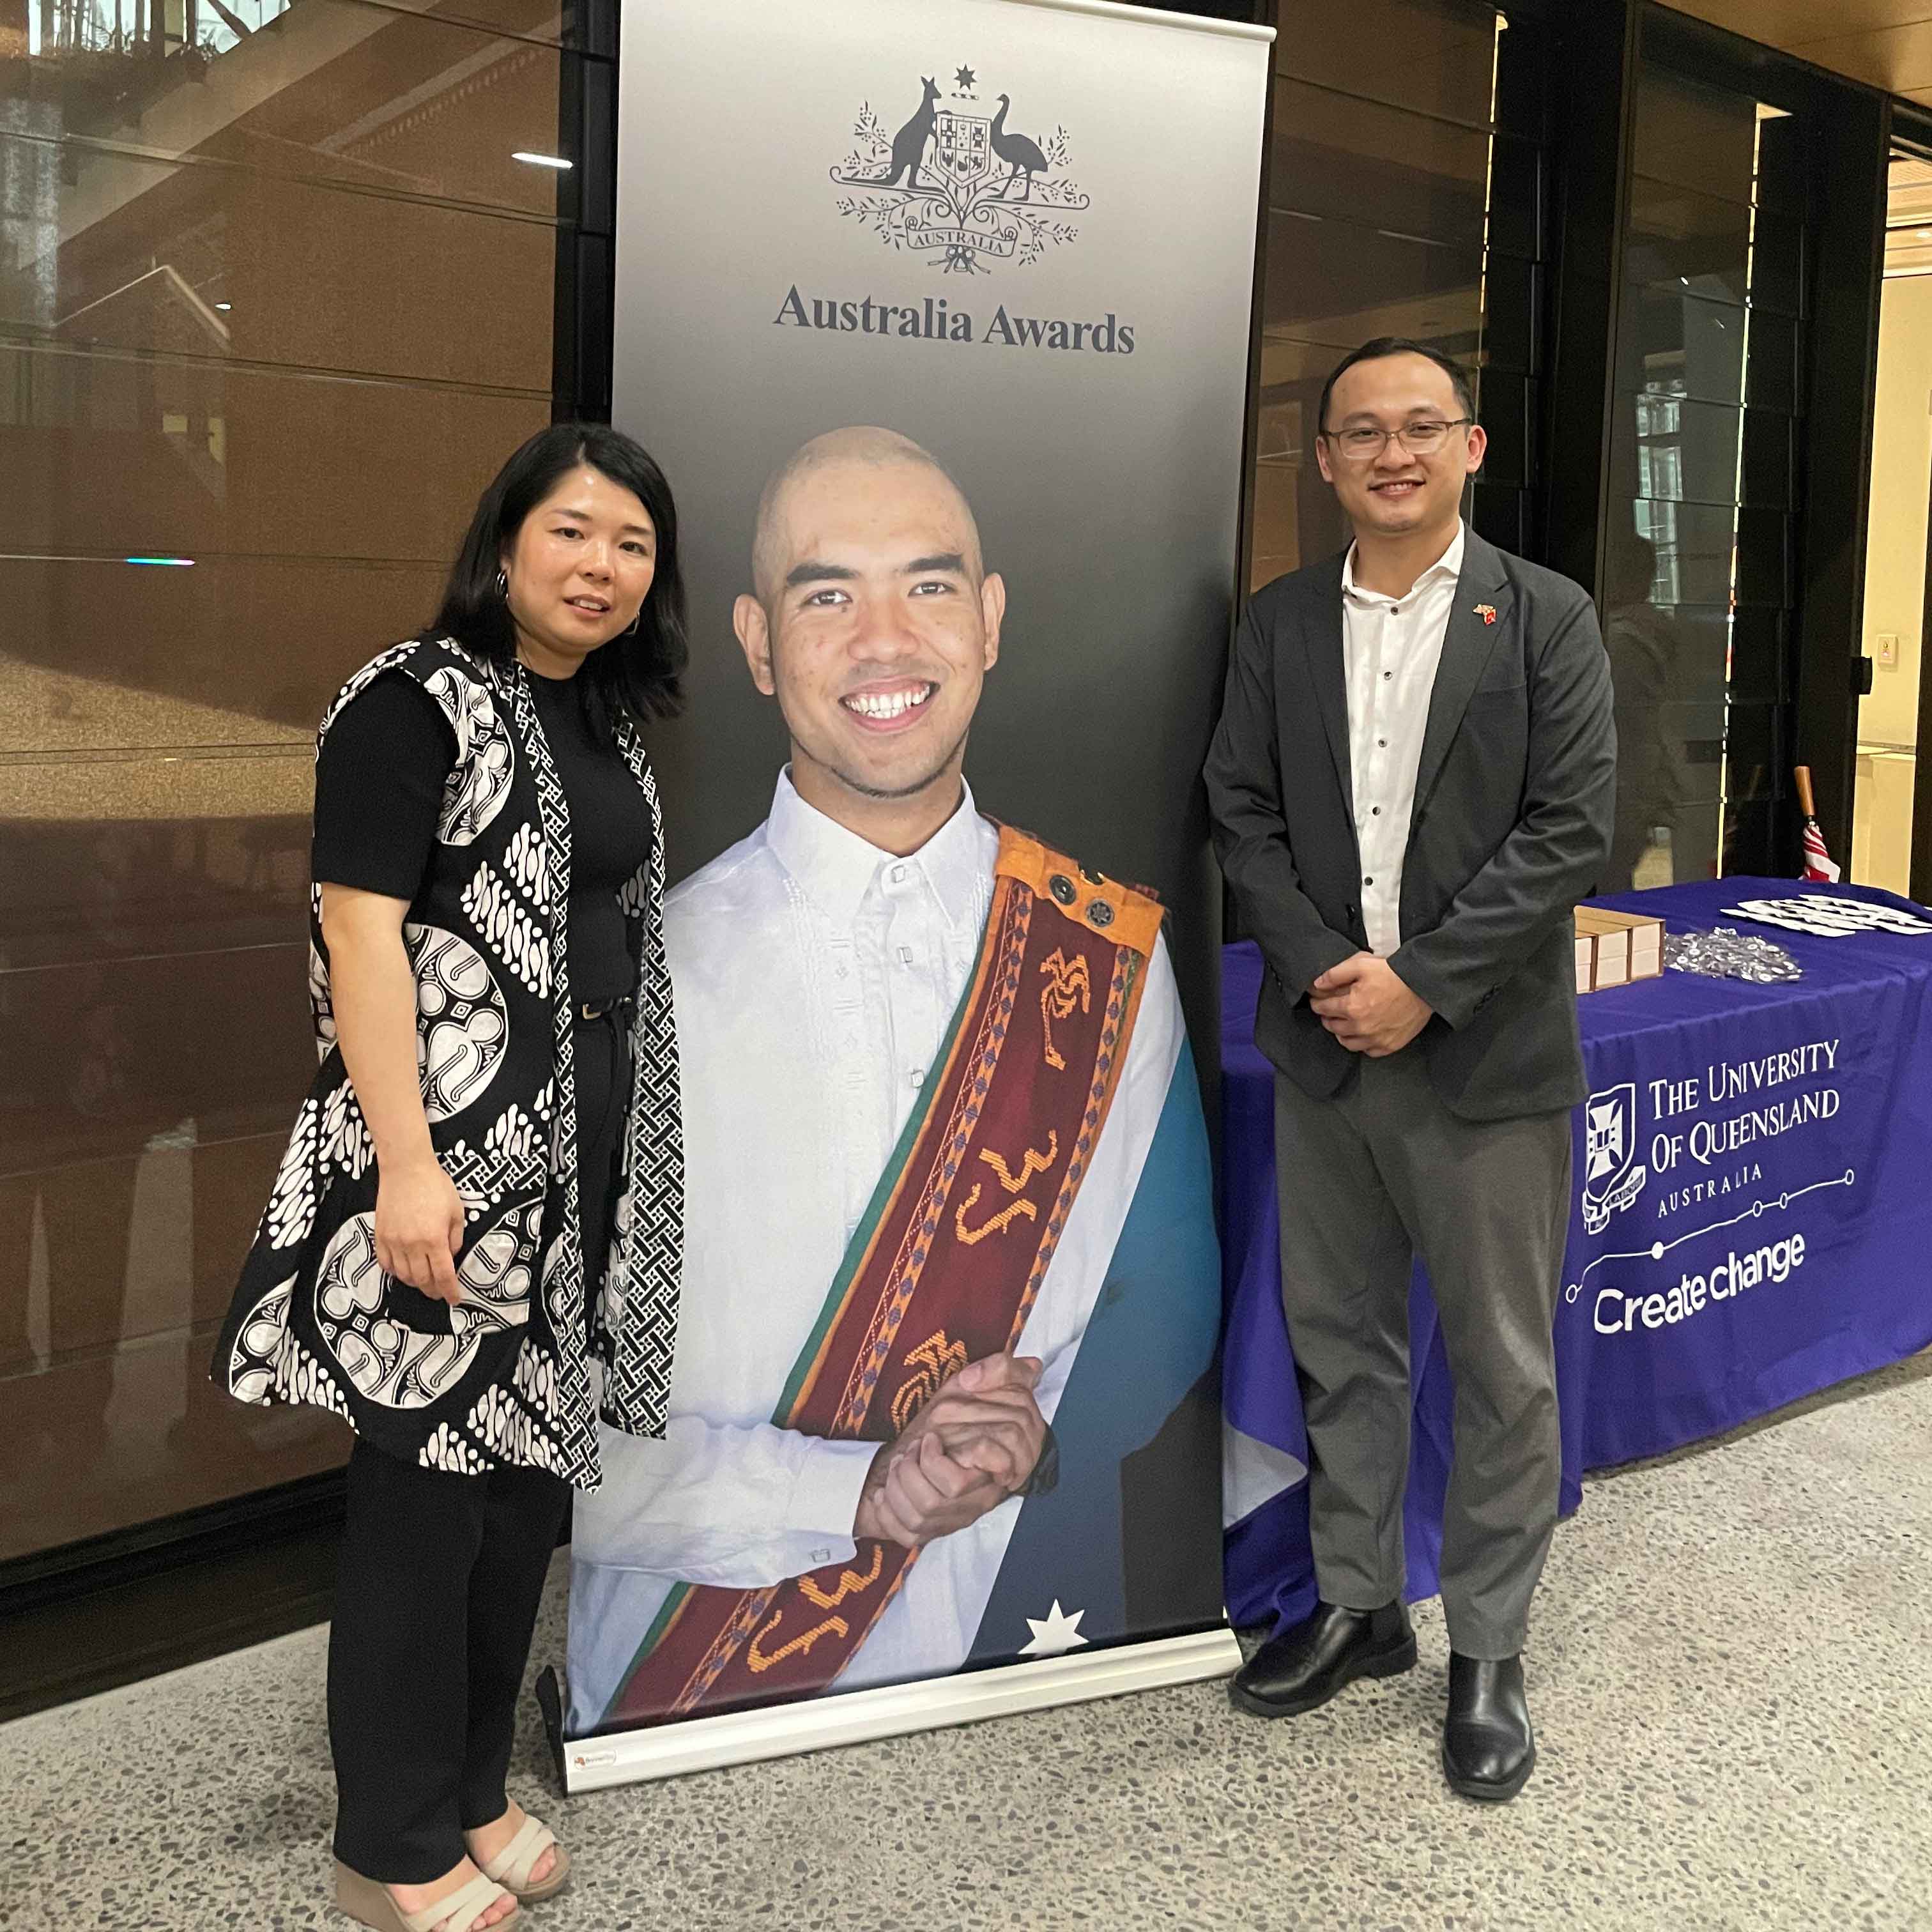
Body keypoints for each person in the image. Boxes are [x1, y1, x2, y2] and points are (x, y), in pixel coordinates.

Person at [566, 426, 1220, 1736]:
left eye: (928, 587)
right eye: (826, 595)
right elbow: (554, 1427)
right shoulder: (637, 984)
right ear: (756, 644)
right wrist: (853, 1496)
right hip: (699, 1691)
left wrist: (1018, 1447)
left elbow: (1169, 1306)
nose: (884, 640)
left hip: (1029, 1639)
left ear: (987, 623)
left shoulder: (1110, 954)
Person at [213, 423, 689, 1931]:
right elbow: (358, 937)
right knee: (424, 1505)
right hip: (442, 1162)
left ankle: (475, 1791)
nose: (599, 565)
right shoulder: (413, 700)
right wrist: (410, 1169)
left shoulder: (603, 721)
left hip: (579, 1160)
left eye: (630, 543)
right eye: (572, 532)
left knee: (523, 1499)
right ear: (504, 546)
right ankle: (391, 1846)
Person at [1204, 339, 1615, 1802]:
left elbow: (1571, 829)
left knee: (1505, 1370)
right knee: (1345, 1347)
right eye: (1361, 432)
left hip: (1485, 1061)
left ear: (1472, 448)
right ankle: (1361, 1606)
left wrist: (1425, 983)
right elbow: (1238, 811)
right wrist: (1332, 972)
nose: (1393, 452)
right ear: (1321, 462)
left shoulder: (1546, 619)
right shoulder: (1277, 625)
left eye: (1421, 428)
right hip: (1325, 1055)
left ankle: (1489, 1649)